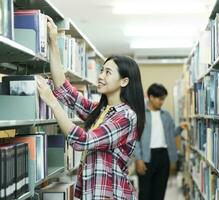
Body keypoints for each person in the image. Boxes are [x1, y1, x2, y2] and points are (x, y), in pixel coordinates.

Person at [36, 16, 145, 200]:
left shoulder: (126, 116)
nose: (101, 76)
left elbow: (83, 141)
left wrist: (53, 103)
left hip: (112, 195)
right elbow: (65, 91)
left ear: (124, 81)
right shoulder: (101, 110)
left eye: (108, 72)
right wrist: (53, 42)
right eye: (101, 70)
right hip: (91, 192)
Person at [134, 83, 187, 200]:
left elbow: (171, 134)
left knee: (160, 192)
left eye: (163, 99)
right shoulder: (140, 115)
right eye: (160, 98)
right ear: (151, 97)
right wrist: (138, 158)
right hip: (146, 157)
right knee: (145, 193)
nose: (162, 102)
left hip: (163, 156)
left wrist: (180, 128)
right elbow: (135, 138)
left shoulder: (166, 115)